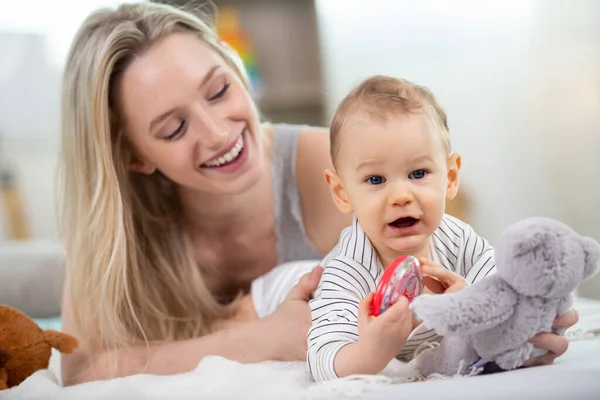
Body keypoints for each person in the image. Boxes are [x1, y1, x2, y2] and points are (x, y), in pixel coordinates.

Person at [57, 1, 577, 386]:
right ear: (133, 156)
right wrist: (257, 339)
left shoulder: (335, 169)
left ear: (237, 70)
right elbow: (81, 369)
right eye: (173, 128)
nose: (218, 133)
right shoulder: (117, 229)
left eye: (219, 90)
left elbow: (447, 274)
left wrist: (513, 322)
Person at [305, 75, 575, 381]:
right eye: (375, 180)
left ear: (449, 177)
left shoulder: (457, 238)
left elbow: (505, 292)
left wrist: (482, 306)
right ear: (342, 193)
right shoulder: (348, 270)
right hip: (304, 279)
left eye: (418, 173)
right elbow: (322, 358)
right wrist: (371, 351)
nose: (401, 196)